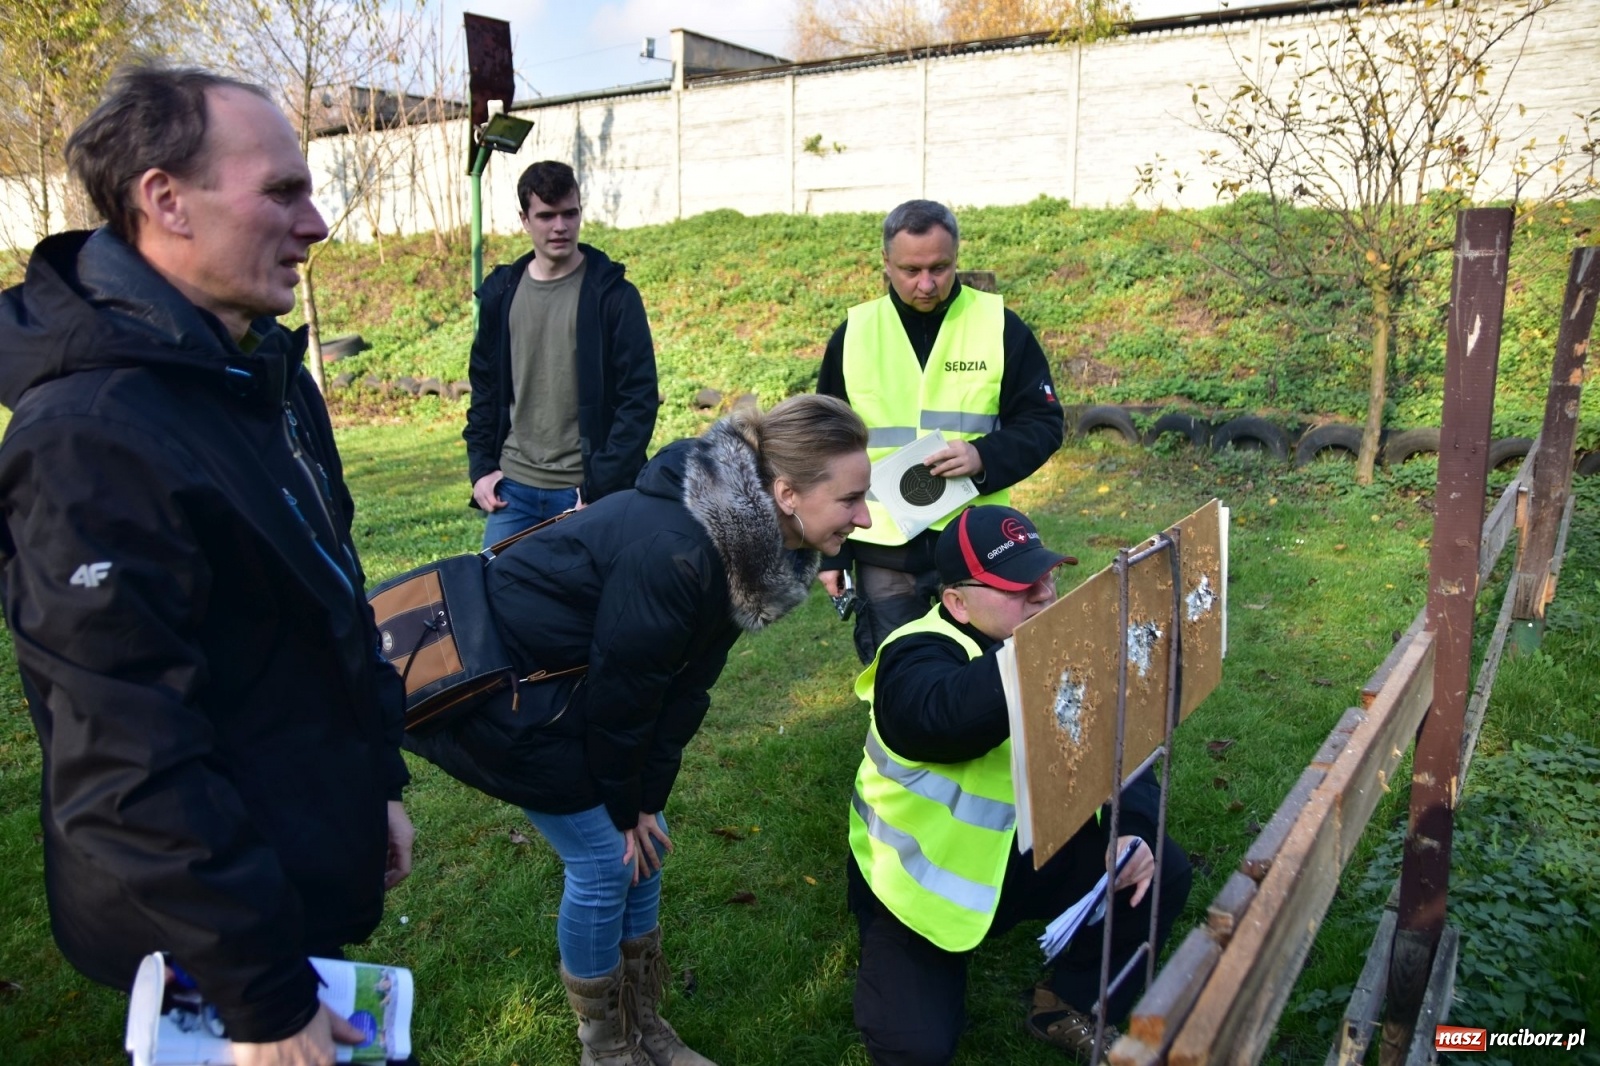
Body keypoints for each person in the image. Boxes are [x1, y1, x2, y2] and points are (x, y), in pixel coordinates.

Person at [0, 66, 412, 1066]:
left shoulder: (258, 374)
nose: (315, 223)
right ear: (164, 199)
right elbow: (128, 757)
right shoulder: (89, 437)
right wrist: (261, 998)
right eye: (281, 191)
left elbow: (329, 596)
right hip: (205, 944)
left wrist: (377, 786)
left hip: (296, 861)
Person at [408, 394, 872, 1066]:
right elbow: (627, 694)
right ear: (787, 493)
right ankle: (606, 1048)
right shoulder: (681, 549)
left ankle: (643, 1025)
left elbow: (684, 686)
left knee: (645, 846)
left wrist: (646, 800)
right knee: (603, 861)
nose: (865, 515)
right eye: (852, 498)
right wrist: (625, 807)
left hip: (568, 692)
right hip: (498, 693)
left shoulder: (746, 544)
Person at [847, 505, 1191, 1065]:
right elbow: (938, 716)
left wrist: (1132, 833)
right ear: (955, 601)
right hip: (917, 887)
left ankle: (1070, 1000)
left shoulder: (1049, 644)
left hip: (1027, 853)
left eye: (1047, 575)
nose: (1043, 595)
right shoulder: (915, 652)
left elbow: (1125, 758)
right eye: (1017, 585)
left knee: (1160, 869)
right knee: (916, 1047)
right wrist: (1051, 649)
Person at [817, 199, 1065, 664]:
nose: (926, 284)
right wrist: (831, 555)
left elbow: (1044, 421)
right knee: (895, 670)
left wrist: (983, 457)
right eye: (911, 270)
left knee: (993, 668)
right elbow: (823, 452)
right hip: (883, 546)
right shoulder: (854, 333)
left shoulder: (999, 327)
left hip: (977, 540)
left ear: (957, 257)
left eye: (940, 267)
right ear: (886, 263)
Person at [464, 159, 659, 547]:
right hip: (513, 490)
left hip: (584, 494)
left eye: (570, 213)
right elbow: (485, 388)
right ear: (524, 220)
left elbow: (638, 400)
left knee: (585, 606)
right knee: (493, 599)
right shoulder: (501, 294)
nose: (560, 226)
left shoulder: (613, 296)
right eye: (546, 215)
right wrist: (482, 468)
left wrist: (602, 486)